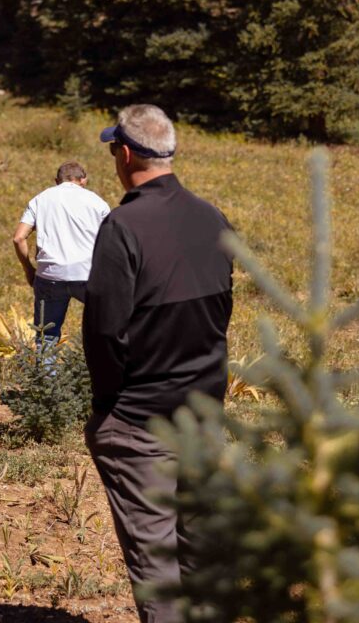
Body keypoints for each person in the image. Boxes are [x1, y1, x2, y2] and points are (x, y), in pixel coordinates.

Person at [83, 105, 233, 623]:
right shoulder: (212, 217)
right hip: (204, 412)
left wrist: (108, 410)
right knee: (199, 550)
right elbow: (220, 311)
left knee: (157, 564)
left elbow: (104, 330)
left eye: (112, 151)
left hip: (142, 419)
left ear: (124, 155)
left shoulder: (123, 226)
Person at [13, 161, 110, 344]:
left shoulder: (40, 199)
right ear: (84, 180)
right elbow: (110, 241)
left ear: (57, 181)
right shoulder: (97, 203)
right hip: (87, 274)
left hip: (50, 274)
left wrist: (29, 270)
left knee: (46, 336)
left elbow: (19, 238)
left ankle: (45, 372)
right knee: (103, 328)